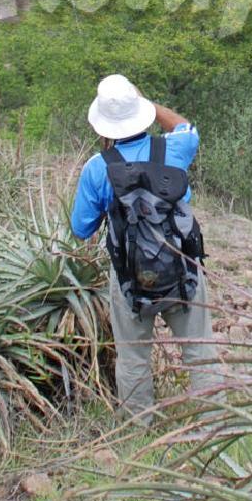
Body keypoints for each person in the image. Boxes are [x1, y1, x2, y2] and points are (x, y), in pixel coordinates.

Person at [70, 73, 221, 415]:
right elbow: (184, 125)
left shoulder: (97, 169)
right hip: (183, 269)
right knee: (199, 349)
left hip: (129, 278)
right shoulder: (174, 148)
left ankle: (138, 426)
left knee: (133, 355)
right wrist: (147, 104)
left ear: (101, 125)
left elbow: (81, 229)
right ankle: (216, 422)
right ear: (141, 112)